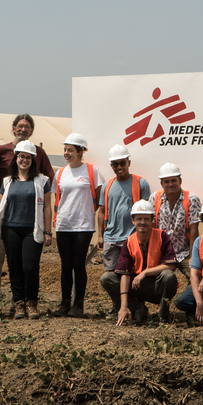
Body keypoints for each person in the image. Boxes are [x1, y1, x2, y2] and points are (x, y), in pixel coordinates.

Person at [0, 114, 56, 317]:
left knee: (30, 266)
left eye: (28, 157)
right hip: (9, 224)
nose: (24, 159)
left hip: (33, 226)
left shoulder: (41, 175)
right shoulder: (4, 171)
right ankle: (9, 304)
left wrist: (48, 230)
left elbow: (48, 203)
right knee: (7, 265)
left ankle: (30, 303)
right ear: (13, 128)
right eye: (21, 156)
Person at [52, 133, 105, 318]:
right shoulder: (60, 173)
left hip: (84, 224)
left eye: (70, 150)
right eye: (65, 149)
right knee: (65, 265)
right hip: (64, 224)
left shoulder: (92, 171)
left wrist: (87, 212)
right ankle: (64, 304)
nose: (66, 153)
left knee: (79, 264)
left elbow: (99, 198)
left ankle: (78, 305)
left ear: (80, 152)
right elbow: (57, 198)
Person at [100, 200, 178, 325]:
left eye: (146, 219)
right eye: (139, 218)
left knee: (168, 275)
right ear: (133, 220)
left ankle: (164, 316)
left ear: (152, 220)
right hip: (137, 285)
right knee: (107, 278)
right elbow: (125, 273)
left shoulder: (162, 236)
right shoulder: (129, 242)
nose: (143, 222)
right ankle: (137, 308)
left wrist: (145, 272)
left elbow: (171, 265)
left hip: (158, 286)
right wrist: (123, 306)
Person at [97, 144, 151, 317]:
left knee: (133, 274)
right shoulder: (107, 186)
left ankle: (136, 306)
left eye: (122, 163)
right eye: (115, 164)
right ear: (111, 165)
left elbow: (147, 212)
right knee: (111, 276)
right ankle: (121, 306)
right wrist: (100, 235)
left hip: (132, 237)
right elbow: (102, 211)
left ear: (128, 162)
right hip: (111, 237)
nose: (119, 167)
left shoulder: (140, 183)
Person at [148, 163, 201, 285]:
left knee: (197, 276)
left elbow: (194, 232)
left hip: (185, 251)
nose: (170, 184)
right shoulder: (154, 198)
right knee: (162, 278)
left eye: (173, 180)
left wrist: (193, 257)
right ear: (161, 183)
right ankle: (163, 303)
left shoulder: (192, 199)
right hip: (162, 252)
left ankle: (189, 302)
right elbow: (151, 229)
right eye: (166, 181)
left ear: (180, 180)